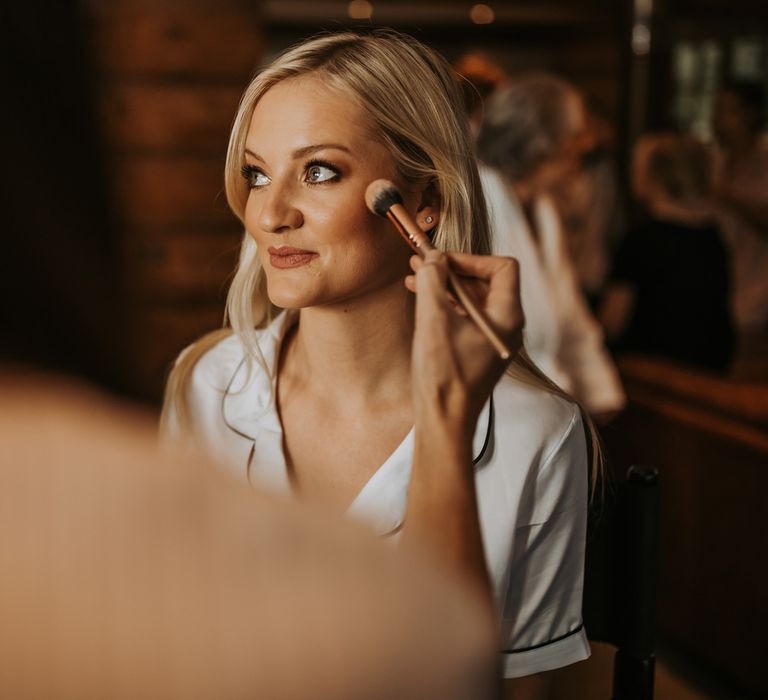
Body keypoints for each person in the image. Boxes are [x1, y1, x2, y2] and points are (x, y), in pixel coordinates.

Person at [162, 30, 596, 697]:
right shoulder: (206, 387)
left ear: (425, 198)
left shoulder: (537, 432)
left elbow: (513, 691)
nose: (271, 213)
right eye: (256, 173)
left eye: (319, 172)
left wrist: (448, 422)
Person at [475, 74, 626, 420]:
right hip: (497, 410)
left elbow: (571, 313)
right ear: (541, 145)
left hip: (553, 405)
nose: (582, 152)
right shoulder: (477, 204)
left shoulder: (544, 211)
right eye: (574, 142)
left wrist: (601, 394)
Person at [599, 133, 734, 372]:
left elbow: (613, 323)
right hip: (708, 372)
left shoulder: (642, 241)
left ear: (654, 177)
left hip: (652, 378)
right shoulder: (713, 235)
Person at [711, 82, 768, 374]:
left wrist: (731, 198)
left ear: (752, 114)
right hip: (716, 292)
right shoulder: (715, 160)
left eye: (728, 111)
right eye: (716, 109)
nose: (718, 119)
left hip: (755, 295)